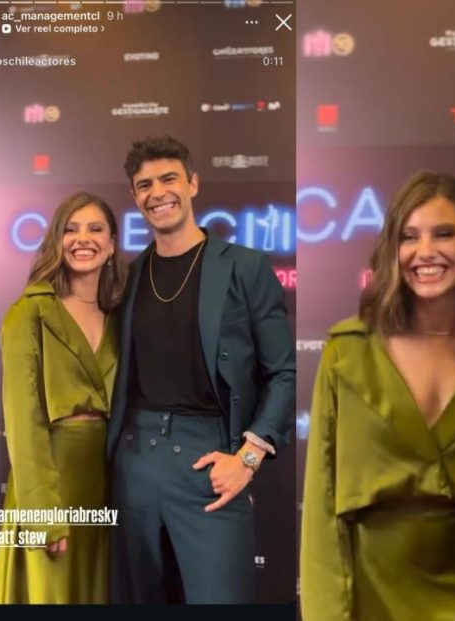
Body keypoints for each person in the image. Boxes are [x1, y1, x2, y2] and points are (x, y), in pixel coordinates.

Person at [300, 171, 455, 620]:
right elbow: (321, 505)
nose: (425, 251)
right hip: (371, 596)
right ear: (393, 248)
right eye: (409, 237)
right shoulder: (347, 351)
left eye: (443, 234)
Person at [107, 135, 295, 604]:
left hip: (210, 463)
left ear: (193, 183)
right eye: (145, 185)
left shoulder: (245, 267)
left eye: (168, 179)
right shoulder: (128, 277)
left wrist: (247, 459)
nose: (158, 193)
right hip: (133, 467)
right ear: (135, 197)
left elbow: (283, 373)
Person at [0, 192, 126, 604]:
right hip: (53, 483)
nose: (83, 239)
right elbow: (23, 423)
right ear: (56, 240)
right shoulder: (28, 312)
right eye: (71, 229)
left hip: (108, 484)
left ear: (112, 245)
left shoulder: (121, 317)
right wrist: (42, 514)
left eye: (95, 229)